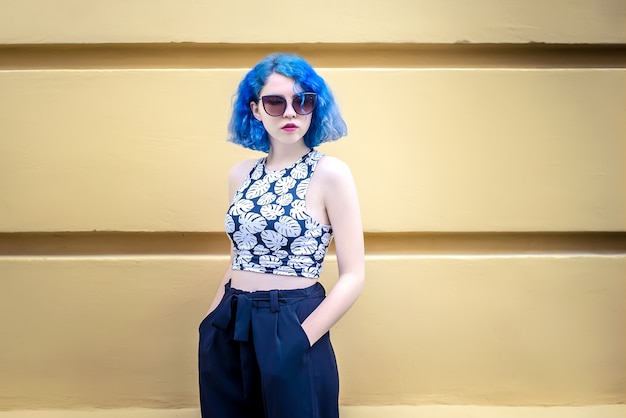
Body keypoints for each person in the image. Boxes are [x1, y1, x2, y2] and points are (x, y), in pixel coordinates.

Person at [198, 53, 365, 418]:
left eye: (302, 101)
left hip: (293, 317)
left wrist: (302, 338)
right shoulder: (240, 175)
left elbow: (354, 274)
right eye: (275, 102)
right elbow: (239, 255)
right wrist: (210, 322)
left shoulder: (330, 173)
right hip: (231, 318)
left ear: (313, 108)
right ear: (256, 110)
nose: (290, 113)